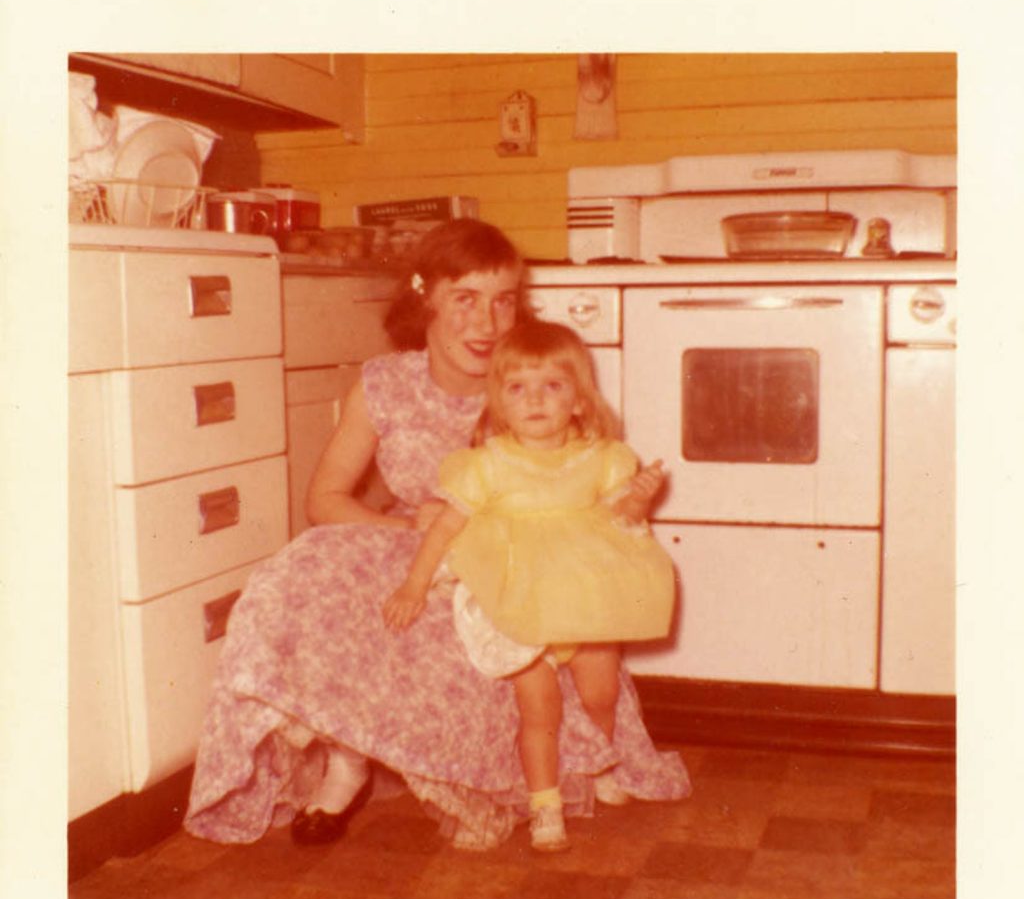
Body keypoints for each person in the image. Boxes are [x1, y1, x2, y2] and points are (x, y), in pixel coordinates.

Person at [183, 219, 691, 852]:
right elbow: (324, 499)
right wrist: (401, 526)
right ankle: (347, 764)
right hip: (414, 544)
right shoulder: (384, 383)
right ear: (427, 298)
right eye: (466, 299)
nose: (487, 322)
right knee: (305, 570)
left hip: (510, 570)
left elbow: (585, 486)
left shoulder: (527, 385)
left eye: (503, 300)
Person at [383, 321, 677, 851]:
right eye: (518, 388)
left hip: (589, 600)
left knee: (600, 694)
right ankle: (545, 805)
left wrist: (639, 496)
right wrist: (414, 585)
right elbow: (447, 528)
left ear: (580, 401)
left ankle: (594, 765)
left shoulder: (601, 457)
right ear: (499, 402)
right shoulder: (489, 465)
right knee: (540, 709)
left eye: (553, 386)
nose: (535, 400)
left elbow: (622, 520)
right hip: (518, 602)